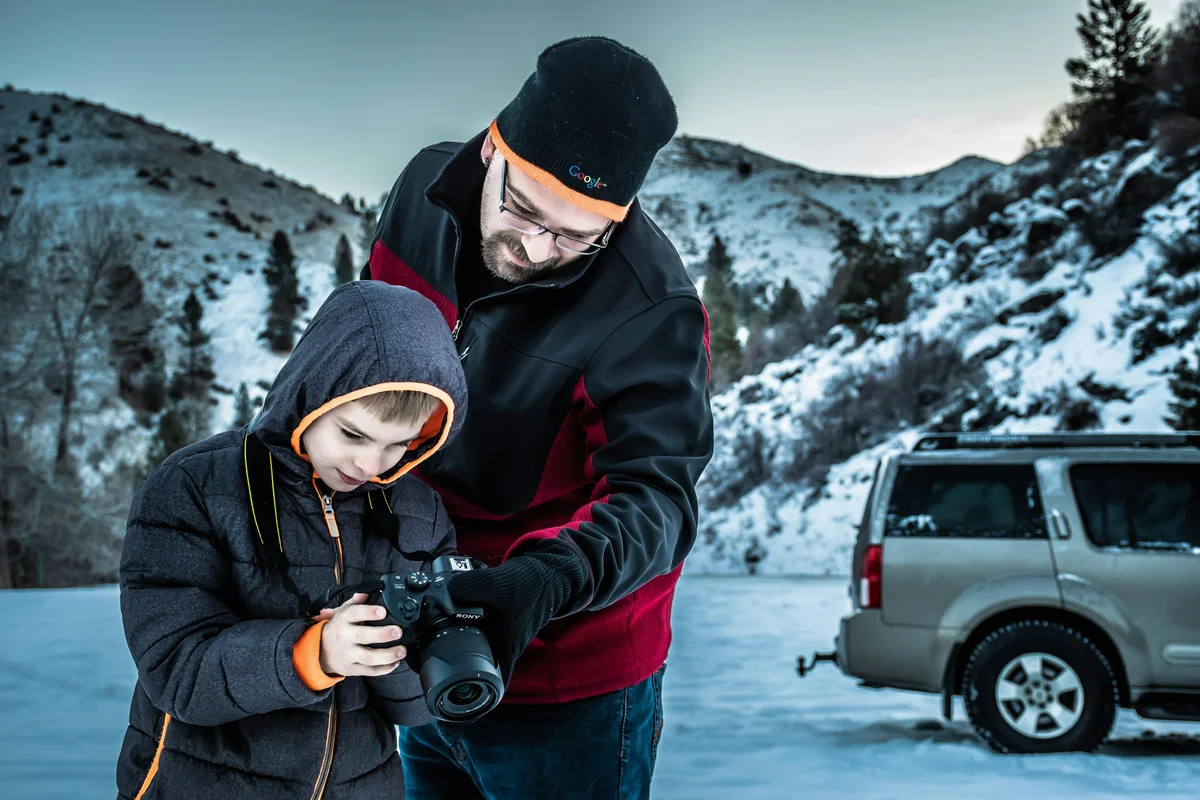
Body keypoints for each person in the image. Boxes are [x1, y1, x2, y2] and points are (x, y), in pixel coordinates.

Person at [361, 35, 714, 799]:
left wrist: (546, 580)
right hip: (422, 644)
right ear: (492, 148)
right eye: (524, 208)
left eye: (579, 234)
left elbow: (659, 499)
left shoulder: (651, 310)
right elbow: (362, 354)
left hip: (571, 684)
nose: (536, 246)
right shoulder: (420, 191)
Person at [115, 281, 468, 799]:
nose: (372, 466)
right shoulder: (194, 487)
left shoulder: (417, 510)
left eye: (400, 444)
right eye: (353, 434)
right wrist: (315, 653)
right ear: (311, 393)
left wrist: (399, 648)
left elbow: (415, 709)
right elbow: (178, 674)